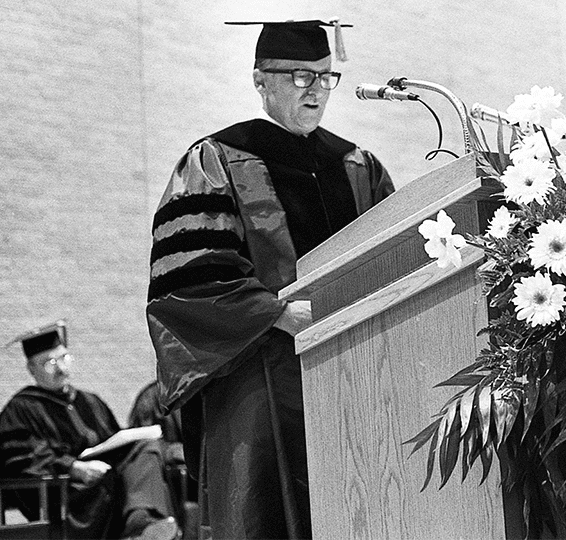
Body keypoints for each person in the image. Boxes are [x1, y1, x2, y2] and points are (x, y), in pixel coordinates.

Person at [145, 18, 394, 539]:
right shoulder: (215, 160)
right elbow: (190, 279)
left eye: (326, 77)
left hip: (361, 373)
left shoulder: (359, 165)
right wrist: (278, 313)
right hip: (261, 382)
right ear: (262, 80)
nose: (317, 90)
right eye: (301, 76)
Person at [0, 321, 180, 540]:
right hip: (67, 494)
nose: (60, 368)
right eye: (49, 362)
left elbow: (115, 442)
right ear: (32, 369)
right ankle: (140, 528)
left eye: (64, 358)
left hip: (105, 480)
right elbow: (21, 461)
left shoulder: (90, 401)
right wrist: (75, 468)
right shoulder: (20, 409)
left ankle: (141, 522)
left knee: (145, 448)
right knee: (117, 479)